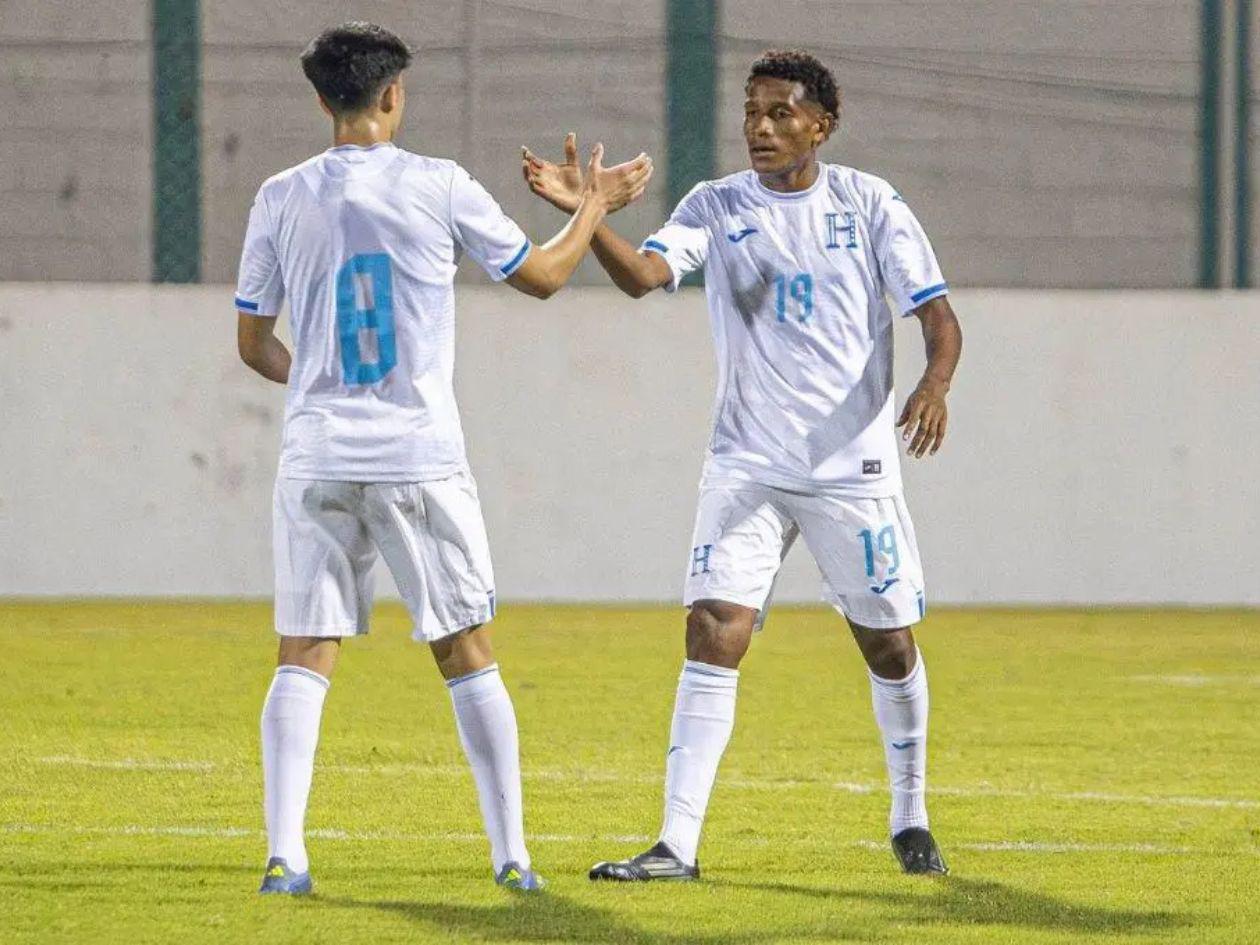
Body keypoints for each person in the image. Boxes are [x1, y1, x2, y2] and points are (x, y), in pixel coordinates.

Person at [522, 48, 961, 880]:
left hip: (850, 470)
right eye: (752, 113)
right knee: (712, 627)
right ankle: (676, 843)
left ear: (821, 125)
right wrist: (590, 215)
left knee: (888, 644)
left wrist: (934, 385)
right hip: (747, 464)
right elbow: (643, 277)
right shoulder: (715, 204)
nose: (760, 128)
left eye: (780, 113)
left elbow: (938, 317)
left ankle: (911, 814)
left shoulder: (869, 204)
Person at [235, 21, 652, 895]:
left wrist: (320, 383)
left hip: (317, 452)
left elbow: (254, 343)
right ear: (394, 94)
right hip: (416, 454)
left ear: (322, 99)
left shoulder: (278, 196)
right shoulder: (439, 184)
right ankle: (512, 856)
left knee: (304, 648)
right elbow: (543, 277)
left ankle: (286, 855)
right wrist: (591, 207)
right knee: (466, 647)